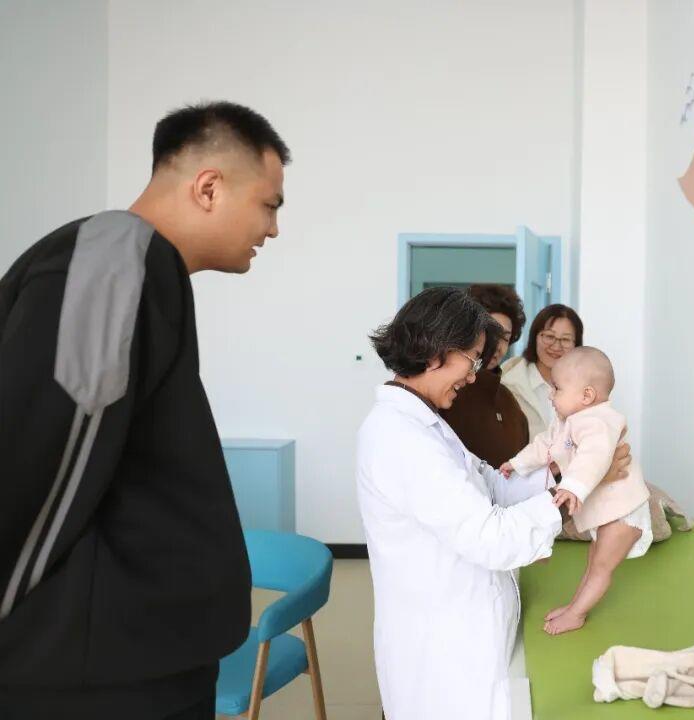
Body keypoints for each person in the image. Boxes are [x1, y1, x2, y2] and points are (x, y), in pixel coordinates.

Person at [0, 101, 288, 719]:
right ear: (208, 187)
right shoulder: (115, 256)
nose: (272, 229)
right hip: (98, 676)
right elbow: (37, 464)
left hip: (133, 658)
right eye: (269, 205)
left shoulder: (142, 267)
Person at [356, 288, 630, 720]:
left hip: (465, 633)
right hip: (444, 652)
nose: (473, 375)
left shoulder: (426, 424)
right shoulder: (401, 439)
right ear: (436, 351)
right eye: (472, 359)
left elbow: (490, 487)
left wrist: (569, 475)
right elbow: (491, 537)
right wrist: (574, 493)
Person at [501, 347, 650, 635]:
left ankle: (577, 614)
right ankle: (574, 607)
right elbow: (544, 446)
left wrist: (572, 487)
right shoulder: (567, 422)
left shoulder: (599, 421)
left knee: (601, 567)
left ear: (587, 395)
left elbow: (594, 457)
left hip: (625, 511)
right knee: (593, 562)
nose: (550, 395)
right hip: (609, 511)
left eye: (556, 388)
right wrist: (517, 464)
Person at [439, 284, 530, 467]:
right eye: (490, 332)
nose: (497, 345)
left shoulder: (509, 401)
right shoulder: (445, 391)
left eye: (505, 337)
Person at [501, 303, 584, 439]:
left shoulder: (586, 388)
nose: (556, 346)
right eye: (549, 336)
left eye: (565, 339)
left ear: (576, 345)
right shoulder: (509, 384)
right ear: (535, 337)